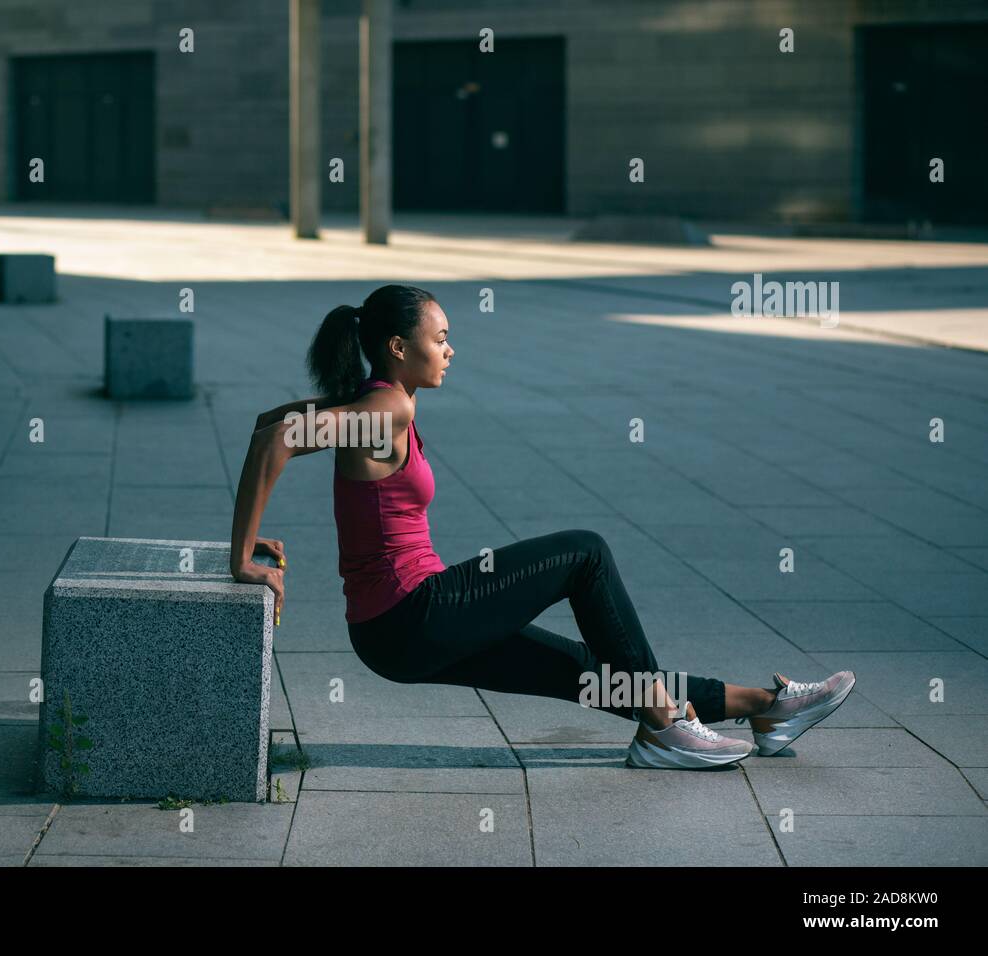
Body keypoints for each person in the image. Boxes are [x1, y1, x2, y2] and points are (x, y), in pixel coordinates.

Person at [229, 284, 855, 769]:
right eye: (440, 337)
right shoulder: (385, 408)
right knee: (586, 553)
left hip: (397, 629)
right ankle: (665, 726)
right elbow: (278, 441)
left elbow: (269, 425)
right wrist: (242, 560)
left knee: (585, 671)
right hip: (411, 612)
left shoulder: (373, 403)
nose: (451, 349)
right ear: (399, 347)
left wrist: (255, 534)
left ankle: (765, 710)